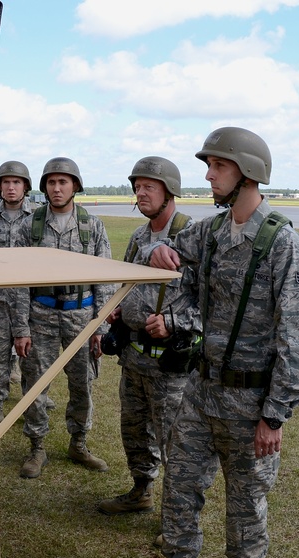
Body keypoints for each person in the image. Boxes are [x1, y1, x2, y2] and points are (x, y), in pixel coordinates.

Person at [133, 127, 299, 558]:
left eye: (218, 166)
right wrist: (159, 257)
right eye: (209, 165)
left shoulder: (281, 243)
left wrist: (274, 416)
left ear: (248, 172)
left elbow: (298, 342)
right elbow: (182, 276)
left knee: (246, 498)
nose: (208, 175)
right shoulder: (210, 232)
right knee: (181, 484)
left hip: (253, 400)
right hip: (201, 389)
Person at [97, 157, 199, 516]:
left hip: (170, 365)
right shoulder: (141, 236)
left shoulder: (191, 235)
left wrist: (173, 321)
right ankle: (141, 491)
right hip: (134, 357)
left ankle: (176, 516)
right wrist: (117, 308)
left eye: (148, 187)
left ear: (169, 192)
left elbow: (213, 303)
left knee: (175, 441)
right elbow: (128, 282)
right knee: (134, 431)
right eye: (137, 187)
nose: (140, 193)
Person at [14, 157, 113, 478]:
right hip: (39, 314)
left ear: (75, 186)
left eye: (63, 182)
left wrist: (101, 326)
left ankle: (79, 442)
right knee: (34, 385)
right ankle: (36, 447)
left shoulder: (91, 226)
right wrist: (20, 327)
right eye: (51, 183)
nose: (57, 189)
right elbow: (16, 280)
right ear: (44, 187)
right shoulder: (29, 226)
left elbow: (106, 278)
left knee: (82, 383)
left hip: (81, 316)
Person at [0, 160, 34, 419]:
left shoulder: (38, 218)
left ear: (25, 187)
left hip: (28, 299)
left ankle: (33, 400)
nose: (11, 187)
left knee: (30, 355)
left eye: (16, 182)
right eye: (6, 182)